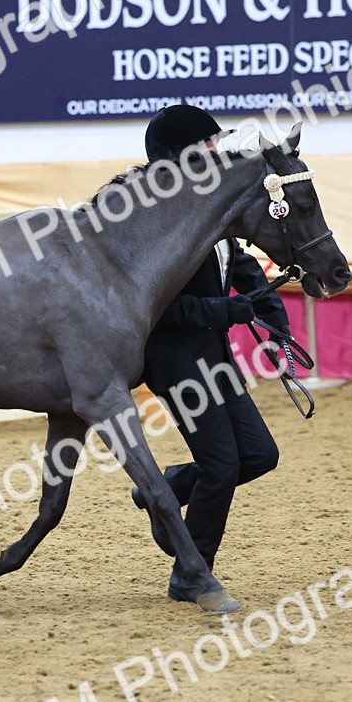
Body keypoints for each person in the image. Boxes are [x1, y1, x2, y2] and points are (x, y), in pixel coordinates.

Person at [129, 104, 292, 602]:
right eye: (207, 145)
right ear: (179, 155)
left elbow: (242, 270)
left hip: (215, 357)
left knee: (260, 455)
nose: (216, 151)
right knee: (221, 466)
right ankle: (190, 572)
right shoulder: (155, 221)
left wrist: (277, 331)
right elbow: (161, 306)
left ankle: (170, 486)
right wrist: (227, 313)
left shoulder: (209, 209)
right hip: (176, 360)